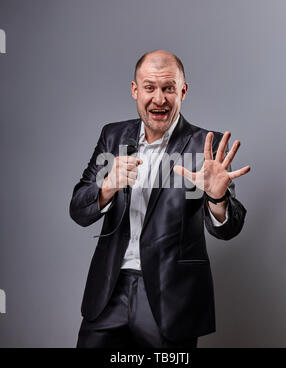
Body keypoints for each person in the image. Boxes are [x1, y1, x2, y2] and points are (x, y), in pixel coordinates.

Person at [69, 50, 250, 348]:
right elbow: (78, 210)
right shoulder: (113, 137)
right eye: (150, 87)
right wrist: (107, 187)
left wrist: (217, 198)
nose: (159, 99)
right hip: (108, 293)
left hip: (170, 298)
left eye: (168, 88)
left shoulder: (204, 147)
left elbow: (228, 229)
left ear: (183, 90)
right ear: (134, 90)